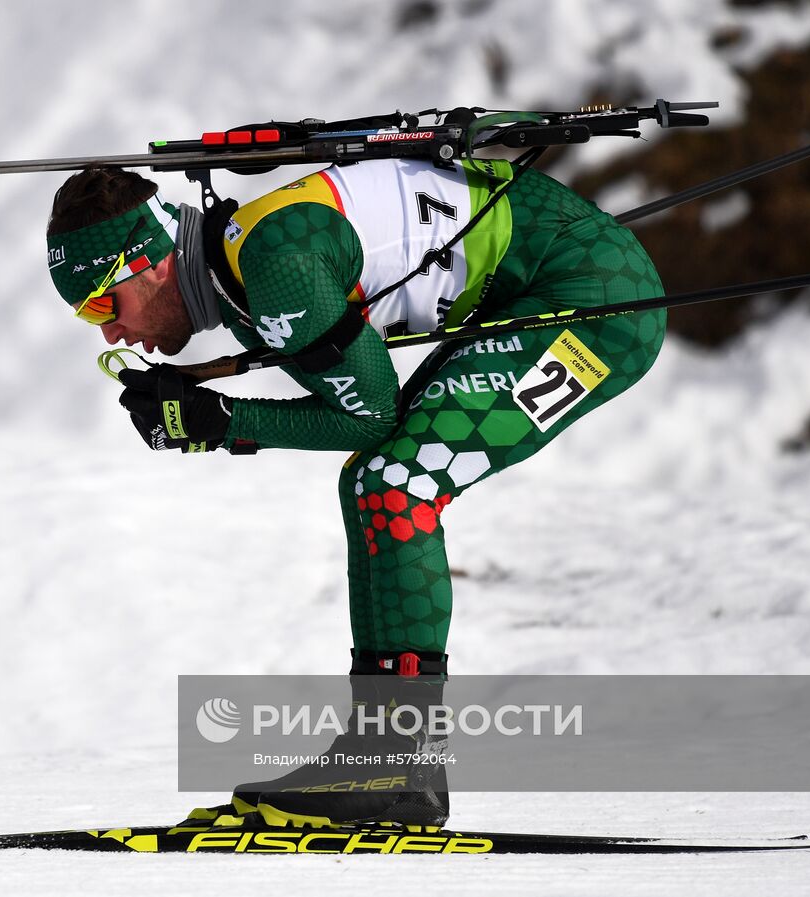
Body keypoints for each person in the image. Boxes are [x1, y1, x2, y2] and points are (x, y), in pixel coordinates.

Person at [44, 155, 665, 828]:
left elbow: (371, 414)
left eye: (105, 303)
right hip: (546, 282)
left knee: (396, 484)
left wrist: (219, 422)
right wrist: (209, 412)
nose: (108, 331)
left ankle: (399, 763)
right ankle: (386, 752)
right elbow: (360, 410)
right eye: (90, 318)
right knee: (375, 480)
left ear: (154, 259)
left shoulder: (271, 263)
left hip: (597, 298)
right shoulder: (242, 273)